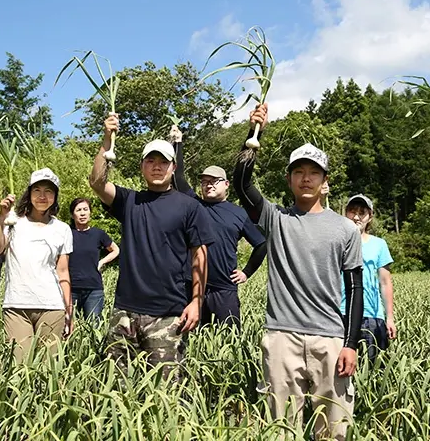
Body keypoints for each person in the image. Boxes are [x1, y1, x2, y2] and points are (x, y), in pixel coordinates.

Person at [232, 103, 363, 441]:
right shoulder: (276, 219)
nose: (306, 178)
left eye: (314, 172)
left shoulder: (345, 229)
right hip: (281, 338)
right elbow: (242, 184)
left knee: (334, 432)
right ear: (289, 179)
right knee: (281, 431)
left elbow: (355, 290)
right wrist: (253, 133)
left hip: (331, 341)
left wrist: (350, 344)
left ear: (324, 181)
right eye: (299, 171)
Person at [88, 113, 214, 377]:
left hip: (169, 315)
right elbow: (97, 182)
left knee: (167, 394)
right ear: (142, 166)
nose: (157, 167)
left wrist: (196, 301)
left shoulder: (190, 206)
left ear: (173, 167)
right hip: (125, 313)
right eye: (151, 161)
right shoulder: (130, 202)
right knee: (117, 387)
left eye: (163, 162)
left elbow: (199, 256)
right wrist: (107, 139)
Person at [168, 125, 267, 326]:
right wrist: (177, 143)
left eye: (214, 181)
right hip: (193, 287)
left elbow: (262, 243)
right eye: (205, 181)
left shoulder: (238, 213)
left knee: (229, 341)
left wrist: (246, 272)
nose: (209, 184)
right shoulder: (194, 205)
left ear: (226, 184)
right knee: (191, 340)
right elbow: (178, 179)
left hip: (224, 289)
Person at [0, 168, 73, 364]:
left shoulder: (62, 229)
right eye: (37, 190)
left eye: (49, 191)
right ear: (29, 193)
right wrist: (1, 218)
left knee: (49, 369)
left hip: (52, 306)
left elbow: (63, 272)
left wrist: (69, 311)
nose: (42, 196)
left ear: (55, 196)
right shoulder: (13, 222)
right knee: (18, 367)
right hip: (17, 304)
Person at [340, 194, 397, 363]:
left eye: (362, 212)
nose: (356, 217)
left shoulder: (379, 244)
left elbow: (385, 282)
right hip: (340, 312)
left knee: (373, 369)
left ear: (370, 216)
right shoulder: (337, 241)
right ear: (345, 213)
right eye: (352, 211)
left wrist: (390, 317)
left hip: (372, 316)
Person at [68, 197, 120, 321]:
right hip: (71, 288)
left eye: (85, 209)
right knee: (69, 328)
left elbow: (116, 250)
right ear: (72, 214)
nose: (82, 213)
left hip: (94, 289)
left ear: (90, 212)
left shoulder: (98, 234)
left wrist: (102, 262)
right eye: (78, 210)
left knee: (93, 326)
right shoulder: (67, 233)